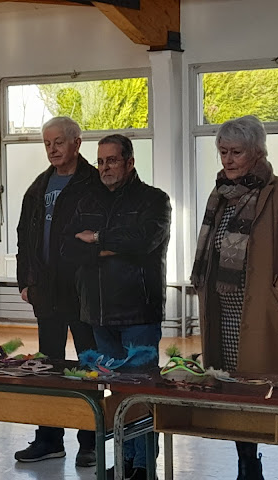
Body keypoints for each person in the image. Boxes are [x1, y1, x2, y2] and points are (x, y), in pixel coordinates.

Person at [63, 134, 171, 480]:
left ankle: (143, 466)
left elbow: (143, 242)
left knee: (140, 390)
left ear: (130, 162)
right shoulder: (87, 201)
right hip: (98, 311)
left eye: (112, 160)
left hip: (139, 309)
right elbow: (70, 246)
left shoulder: (154, 200)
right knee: (115, 391)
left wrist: (97, 239)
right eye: (100, 161)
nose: (104, 167)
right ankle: (123, 462)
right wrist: (112, 245)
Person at [191, 115, 278, 480]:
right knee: (236, 396)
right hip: (225, 317)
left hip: (266, 318)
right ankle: (247, 466)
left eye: (236, 152)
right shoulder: (220, 195)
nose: (228, 160)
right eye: (223, 152)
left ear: (257, 152)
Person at [15, 116, 98, 467]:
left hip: (82, 290)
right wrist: (24, 280)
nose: (52, 149)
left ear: (76, 143)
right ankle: (49, 438)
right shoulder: (39, 186)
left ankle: (91, 441)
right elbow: (24, 236)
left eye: (59, 142)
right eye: (47, 143)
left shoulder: (94, 182)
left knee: (88, 366)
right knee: (47, 366)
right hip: (46, 290)